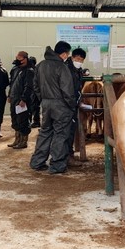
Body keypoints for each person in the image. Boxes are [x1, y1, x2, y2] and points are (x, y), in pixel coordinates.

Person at [30, 41, 76, 174]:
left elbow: (35, 86)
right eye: (67, 54)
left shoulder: (40, 65)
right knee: (60, 134)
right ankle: (57, 165)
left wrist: (43, 99)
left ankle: (37, 162)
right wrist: (72, 105)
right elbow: (67, 90)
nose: (67, 56)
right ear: (63, 53)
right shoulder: (62, 67)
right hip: (61, 105)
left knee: (45, 132)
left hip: (46, 103)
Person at [7, 51, 35, 149]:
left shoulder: (30, 71)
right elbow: (12, 84)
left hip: (22, 100)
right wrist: (9, 95)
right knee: (15, 119)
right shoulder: (15, 69)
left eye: (19, 58)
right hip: (14, 98)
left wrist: (23, 99)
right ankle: (17, 140)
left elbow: (29, 87)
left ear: (25, 59)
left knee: (23, 120)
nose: (17, 60)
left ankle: (23, 141)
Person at [65, 48, 86, 167]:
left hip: (73, 105)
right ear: (72, 57)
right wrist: (71, 102)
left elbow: (77, 88)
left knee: (71, 131)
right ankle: (66, 157)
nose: (79, 61)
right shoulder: (66, 69)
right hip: (67, 105)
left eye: (81, 60)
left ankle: (68, 156)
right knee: (66, 131)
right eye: (77, 59)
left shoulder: (78, 70)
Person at [28, 56, 41, 128]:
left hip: (33, 91)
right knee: (35, 107)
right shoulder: (37, 69)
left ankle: (35, 122)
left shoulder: (32, 70)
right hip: (36, 91)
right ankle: (35, 121)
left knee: (34, 107)